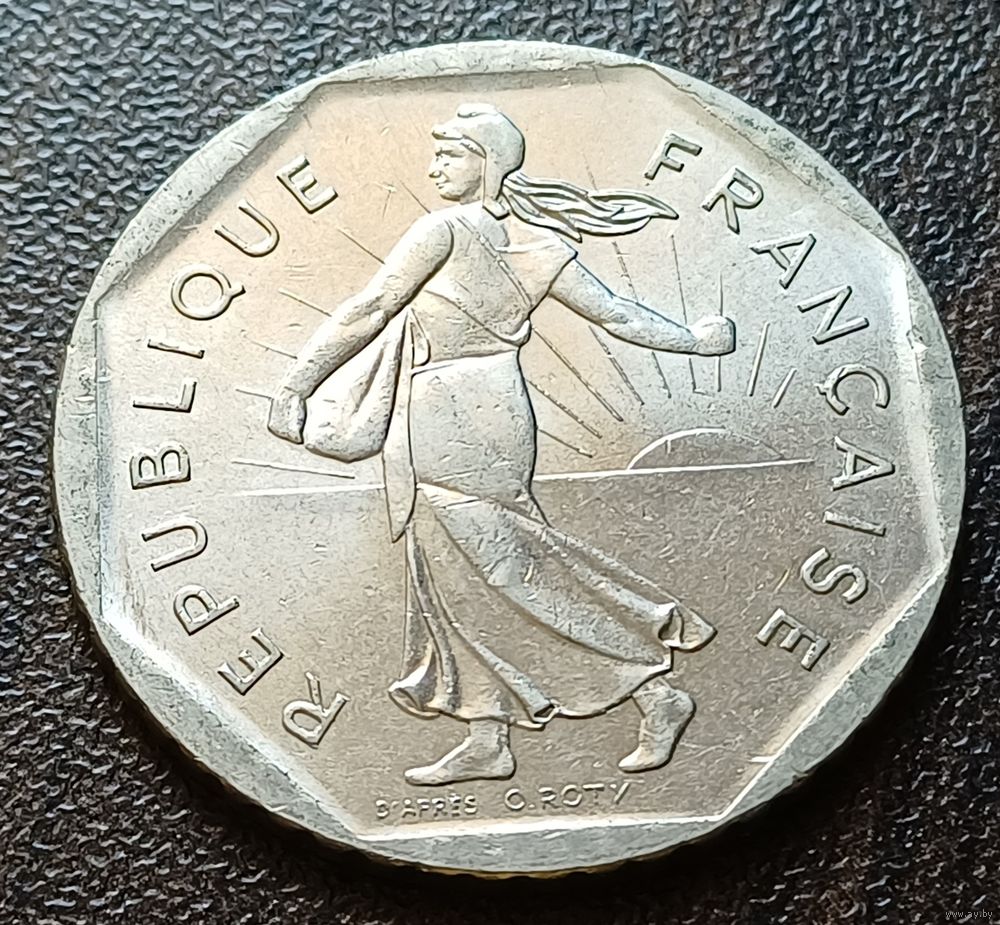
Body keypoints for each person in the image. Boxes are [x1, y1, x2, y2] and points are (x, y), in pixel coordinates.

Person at [268, 103, 735, 786]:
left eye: (449, 155)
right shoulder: (541, 248)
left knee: (505, 564)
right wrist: (693, 341)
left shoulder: (443, 230)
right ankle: (487, 736)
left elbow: (372, 307)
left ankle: (652, 688)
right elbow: (619, 315)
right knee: (458, 569)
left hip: (447, 411)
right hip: (493, 406)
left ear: (486, 163)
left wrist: (297, 384)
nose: (434, 168)